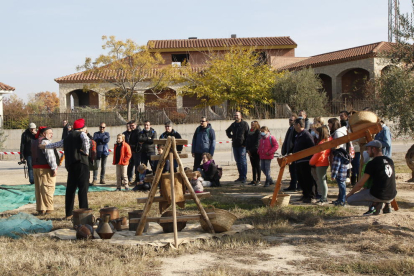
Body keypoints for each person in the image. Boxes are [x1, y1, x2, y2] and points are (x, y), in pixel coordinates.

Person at [42, 118, 90, 220]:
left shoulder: (68, 137)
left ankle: (69, 214)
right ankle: (83, 212)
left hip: (71, 165)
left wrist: (45, 146)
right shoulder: (81, 134)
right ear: (82, 128)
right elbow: (86, 140)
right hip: (81, 164)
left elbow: (57, 144)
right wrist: (86, 151)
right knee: (82, 189)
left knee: (70, 190)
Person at [346, 140, 397, 215]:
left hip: (379, 195)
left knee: (350, 200)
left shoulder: (372, 163)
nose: (367, 151)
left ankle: (376, 203)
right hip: (392, 195)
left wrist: (350, 194)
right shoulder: (390, 160)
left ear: (374, 149)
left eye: (368, 149)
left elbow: (360, 184)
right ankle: (383, 203)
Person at [31, 127, 59, 215]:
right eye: (50, 133)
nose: (52, 135)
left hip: (36, 168)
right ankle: (48, 208)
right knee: (48, 188)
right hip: (45, 169)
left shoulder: (34, 142)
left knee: (39, 189)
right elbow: (50, 156)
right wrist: (54, 168)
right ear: (44, 134)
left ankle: (40, 208)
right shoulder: (45, 142)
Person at [292, 118, 315, 203]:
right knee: (301, 179)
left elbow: (312, 147)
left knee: (307, 179)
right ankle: (305, 195)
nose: (293, 126)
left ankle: (310, 196)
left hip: (305, 161)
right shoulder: (298, 135)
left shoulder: (306, 134)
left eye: (294, 124)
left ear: (298, 125)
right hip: (298, 161)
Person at [309, 126, 332, 205]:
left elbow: (318, 154)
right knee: (322, 181)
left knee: (322, 181)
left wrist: (311, 162)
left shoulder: (322, 143)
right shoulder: (328, 140)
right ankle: (323, 197)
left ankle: (324, 198)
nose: (316, 134)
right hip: (323, 162)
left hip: (320, 163)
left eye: (317, 133)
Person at [226, 111, 249, 184]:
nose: (236, 116)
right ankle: (240, 176)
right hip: (235, 146)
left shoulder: (244, 124)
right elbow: (227, 131)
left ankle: (244, 177)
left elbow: (247, 134)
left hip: (242, 146)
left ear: (241, 116)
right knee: (238, 162)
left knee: (243, 162)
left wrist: (245, 143)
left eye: (237, 115)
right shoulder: (233, 124)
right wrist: (231, 136)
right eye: (235, 115)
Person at [282, 114, 299, 191]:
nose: (290, 121)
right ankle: (292, 185)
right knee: (291, 170)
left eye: (291, 120)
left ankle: (295, 186)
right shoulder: (290, 129)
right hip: (289, 152)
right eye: (289, 120)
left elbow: (294, 142)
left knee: (295, 170)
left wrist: (292, 152)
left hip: (294, 153)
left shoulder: (295, 130)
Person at [246, 121, 261, 185]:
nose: (252, 126)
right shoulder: (249, 132)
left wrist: (251, 150)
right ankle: (254, 179)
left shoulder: (258, 132)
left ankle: (258, 179)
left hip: (256, 151)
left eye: (253, 125)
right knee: (253, 166)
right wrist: (248, 150)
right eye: (251, 125)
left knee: (257, 165)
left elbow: (257, 143)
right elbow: (247, 141)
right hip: (250, 151)